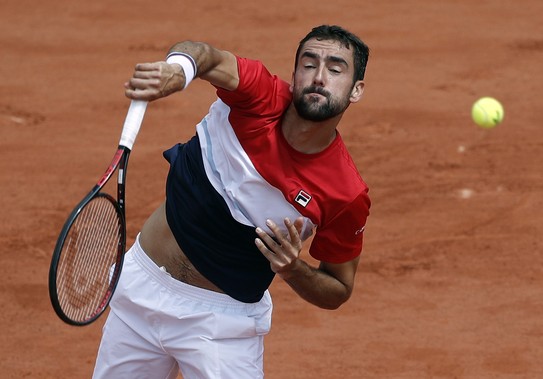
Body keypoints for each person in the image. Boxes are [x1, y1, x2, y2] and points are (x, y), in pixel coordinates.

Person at [93, 24, 371, 379]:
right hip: (139, 290)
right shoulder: (259, 95)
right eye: (309, 63)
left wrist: (291, 268)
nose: (318, 77)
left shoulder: (346, 192)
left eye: (335, 69)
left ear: (356, 90)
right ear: (295, 72)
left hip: (221, 326)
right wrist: (180, 71)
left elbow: (338, 289)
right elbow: (203, 54)